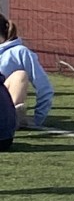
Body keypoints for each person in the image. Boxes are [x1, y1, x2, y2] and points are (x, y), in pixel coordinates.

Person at [0, 9, 55, 142]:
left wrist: (38, 119)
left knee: (20, 75)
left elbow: (44, 88)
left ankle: (12, 119)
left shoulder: (20, 52)